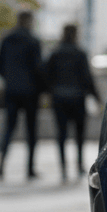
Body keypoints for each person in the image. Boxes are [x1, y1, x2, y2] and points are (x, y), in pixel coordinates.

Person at [44, 23, 98, 181]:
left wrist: (51, 91)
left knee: (61, 134)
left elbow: (46, 74)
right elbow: (87, 78)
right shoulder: (79, 53)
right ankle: (79, 164)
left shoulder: (55, 53)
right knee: (79, 133)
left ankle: (63, 167)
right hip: (77, 98)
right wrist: (96, 96)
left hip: (59, 98)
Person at [0, 9, 44, 180]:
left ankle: (1, 164)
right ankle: (30, 168)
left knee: (9, 127)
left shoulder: (7, 39)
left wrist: (10, 79)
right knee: (31, 131)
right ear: (29, 20)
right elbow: (38, 68)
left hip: (11, 90)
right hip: (30, 91)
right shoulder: (33, 40)